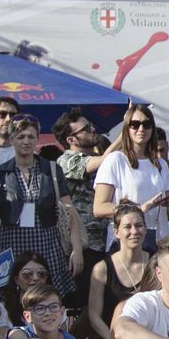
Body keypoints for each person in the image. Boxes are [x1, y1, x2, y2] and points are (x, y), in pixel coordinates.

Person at [0, 117, 82, 299]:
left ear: (37, 139)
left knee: (48, 295)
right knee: (12, 297)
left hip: (47, 243)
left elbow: (70, 211)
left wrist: (77, 250)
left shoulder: (51, 170)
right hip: (11, 244)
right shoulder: (1, 173)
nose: (26, 141)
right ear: (11, 139)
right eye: (20, 137)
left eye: (30, 136)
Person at [92, 104, 169, 252]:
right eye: (135, 124)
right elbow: (99, 208)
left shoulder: (161, 164)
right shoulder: (115, 160)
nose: (141, 129)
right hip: (126, 242)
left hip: (158, 242)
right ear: (127, 128)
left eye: (146, 124)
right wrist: (138, 210)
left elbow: (166, 216)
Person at [87, 204, 155, 339]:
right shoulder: (102, 269)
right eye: (128, 227)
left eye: (139, 225)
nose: (135, 231)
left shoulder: (156, 263)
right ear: (116, 232)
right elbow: (94, 317)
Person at [52, 109, 107, 278]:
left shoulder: (97, 159)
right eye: (86, 129)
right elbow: (104, 160)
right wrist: (125, 134)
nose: (93, 130)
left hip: (104, 243)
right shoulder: (65, 161)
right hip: (83, 246)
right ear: (71, 140)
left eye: (90, 126)